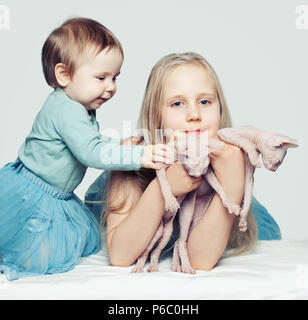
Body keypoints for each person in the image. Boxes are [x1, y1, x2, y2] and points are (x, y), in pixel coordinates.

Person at [0, 17, 173, 281]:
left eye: (115, 77)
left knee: (81, 238)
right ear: (64, 75)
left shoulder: (79, 108)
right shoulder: (65, 109)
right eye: (101, 77)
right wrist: (139, 156)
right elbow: (91, 152)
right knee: (34, 252)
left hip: (58, 194)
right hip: (34, 192)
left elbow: (95, 143)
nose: (111, 86)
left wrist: (120, 147)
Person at [85, 52, 281, 271]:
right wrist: (163, 187)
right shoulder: (133, 152)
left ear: (219, 108)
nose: (194, 114)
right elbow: (120, 256)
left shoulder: (228, 155)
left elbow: (200, 262)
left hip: (220, 219)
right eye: (177, 104)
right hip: (138, 205)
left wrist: (233, 184)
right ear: (156, 114)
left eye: (205, 101)